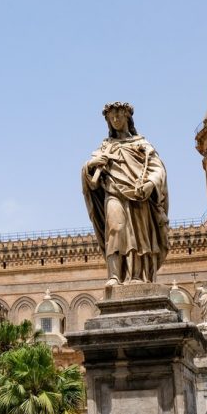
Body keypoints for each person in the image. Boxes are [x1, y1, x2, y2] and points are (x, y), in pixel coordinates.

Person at [82, 102, 169, 285]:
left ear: (127, 117)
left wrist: (150, 184)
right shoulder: (106, 147)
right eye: (111, 117)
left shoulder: (142, 144)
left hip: (138, 196)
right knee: (115, 229)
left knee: (137, 237)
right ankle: (114, 276)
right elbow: (89, 174)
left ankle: (137, 276)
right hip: (113, 194)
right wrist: (91, 164)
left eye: (118, 116)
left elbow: (158, 169)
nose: (115, 120)